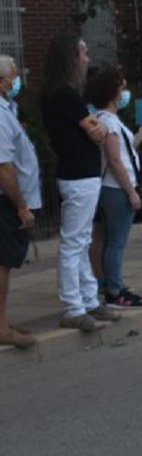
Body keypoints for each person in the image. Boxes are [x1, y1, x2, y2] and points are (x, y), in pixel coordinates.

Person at [40, 34, 120, 331]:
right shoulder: (65, 94)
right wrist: (93, 127)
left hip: (80, 173)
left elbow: (94, 128)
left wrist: (93, 127)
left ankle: (88, 300)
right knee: (74, 241)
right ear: (70, 57)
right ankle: (74, 306)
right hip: (78, 174)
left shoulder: (59, 93)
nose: (87, 59)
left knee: (82, 239)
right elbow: (95, 130)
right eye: (83, 53)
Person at [87, 67, 142, 308]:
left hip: (113, 188)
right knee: (116, 242)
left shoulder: (107, 120)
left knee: (109, 240)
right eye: (122, 88)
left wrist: (139, 137)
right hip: (117, 189)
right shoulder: (108, 121)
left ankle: (112, 283)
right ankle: (115, 291)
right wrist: (131, 192)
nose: (125, 92)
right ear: (113, 92)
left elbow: (122, 153)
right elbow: (115, 161)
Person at [0, 55, 40, 348]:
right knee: (2, 263)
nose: (16, 81)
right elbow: (3, 166)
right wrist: (21, 206)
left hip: (10, 200)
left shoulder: (7, 109)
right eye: (13, 76)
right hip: (6, 201)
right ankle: (1, 328)